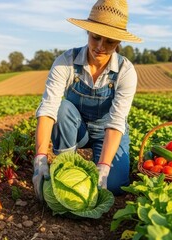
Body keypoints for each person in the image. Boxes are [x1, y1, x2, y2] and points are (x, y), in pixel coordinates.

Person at [32, 0, 142, 200]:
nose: (100, 47)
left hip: (106, 131)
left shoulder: (126, 71)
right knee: (61, 108)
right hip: (77, 128)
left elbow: (116, 121)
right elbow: (48, 109)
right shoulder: (66, 61)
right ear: (88, 33)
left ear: (119, 42)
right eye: (96, 37)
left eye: (109, 42)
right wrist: (40, 158)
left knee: (114, 186)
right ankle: (66, 162)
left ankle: (100, 162)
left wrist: (104, 168)